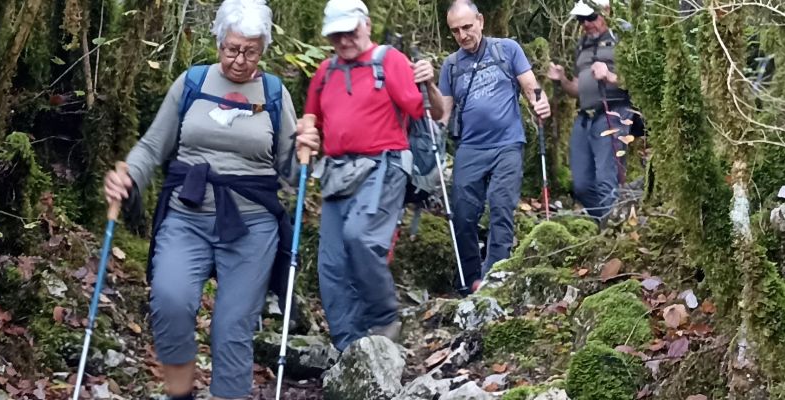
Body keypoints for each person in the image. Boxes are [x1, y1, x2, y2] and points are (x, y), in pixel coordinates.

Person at [100, 1, 296, 398]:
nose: (240, 60)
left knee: (231, 326)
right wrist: (129, 174)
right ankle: (181, 394)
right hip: (186, 216)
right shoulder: (192, 84)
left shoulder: (274, 94)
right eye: (232, 48)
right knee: (170, 303)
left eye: (251, 51)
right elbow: (154, 145)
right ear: (219, 40)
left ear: (263, 49)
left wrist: (308, 148)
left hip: (252, 226)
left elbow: (294, 170)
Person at [294, 0, 426, 352]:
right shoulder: (326, 71)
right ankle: (348, 345)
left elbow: (419, 109)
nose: (343, 40)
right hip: (337, 171)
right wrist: (306, 133)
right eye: (336, 34)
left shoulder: (390, 60)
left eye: (349, 31)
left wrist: (430, 86)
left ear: (365, 25)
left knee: (361, 238)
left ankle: (384, 317)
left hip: (384, 165)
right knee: (331, 263)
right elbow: (312, 119)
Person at [412, 0, 552, 294]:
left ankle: (495, 278)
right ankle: (469, 279)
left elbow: (530, 85)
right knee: (462, 216)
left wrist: (539, 101)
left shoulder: (507, 49)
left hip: (507, 144)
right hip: (470, 149)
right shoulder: (451, 65)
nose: (463, 35)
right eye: (455, 31)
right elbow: (444, 113)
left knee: (501, 207)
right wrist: (428, 101)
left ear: (481, 21)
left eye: (467, 27)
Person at [547, 0, 635, 221]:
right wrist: (563, 80)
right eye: (581, 19)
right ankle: (606, 225)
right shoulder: (583, 43)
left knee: (607, 180)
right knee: (582, 185)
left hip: (614, 113)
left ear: (606, 11)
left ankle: (614, 237)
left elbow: (640, 81)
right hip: (586, 116)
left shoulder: (624, 35)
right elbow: (579, 88)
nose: (586, 24)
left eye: (591, 17)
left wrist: (610, 76)